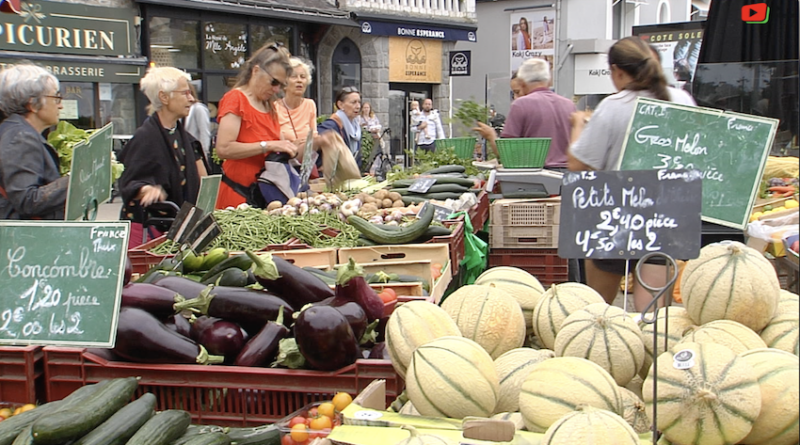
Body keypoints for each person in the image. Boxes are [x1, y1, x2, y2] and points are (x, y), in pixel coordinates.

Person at [567, 36, 698, 311]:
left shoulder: (613, 106)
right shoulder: (682, 99)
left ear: (617, 70)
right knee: (652, 317)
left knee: (598, 312)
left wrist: (579, 124)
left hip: (616, 214)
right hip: (666, 215)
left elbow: (577, 165)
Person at [117, 67, 208, 247]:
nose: (191, 98)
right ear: (164, 97)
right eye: (185, 93)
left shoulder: (184, 137)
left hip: (177, 227)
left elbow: (203, 179)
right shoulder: (145, 137)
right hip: (150, 234)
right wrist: (145, 189)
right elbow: (130, 180)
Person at [215, 42, 296, 208]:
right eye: (274, 82)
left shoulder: (270, 105)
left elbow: (279, 147)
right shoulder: (236, 99)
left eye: (280, 85)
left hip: (263, 197)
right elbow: (223, 149)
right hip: (237, 198)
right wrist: (268, 145)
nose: (276, 90)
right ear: (256, 70)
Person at [474, 58, 575, 169]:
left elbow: (507, 154)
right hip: (568, 176)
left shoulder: (521, 105)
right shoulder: (569, 105)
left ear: (522, 82)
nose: (515, 97)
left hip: (535, 177)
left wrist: (491, 135)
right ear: (549, 80)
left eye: (516, 92)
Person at [0, 63, 69, 220]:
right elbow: (27, 200)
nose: (61, 105)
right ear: (33, 104)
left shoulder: (15, 131)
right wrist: (78, 180)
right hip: (24, 240)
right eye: (56, 97)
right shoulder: (21, 137)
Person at [274, 56, 320, 179]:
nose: (299, 81)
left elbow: (314, 137)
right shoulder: (274, 108)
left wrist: (298, 144)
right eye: (294, 76)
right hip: (284, 169)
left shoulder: (310, 105)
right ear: (285, 82)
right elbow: (277, 143)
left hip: (307, 168)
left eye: (303, 77)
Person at [318, 86, 363, 167]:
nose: (358, 106)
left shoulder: (356, 128)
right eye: (353, 102)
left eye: (359, 102)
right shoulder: (330, 126)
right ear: (340, 104)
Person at [183, 82, 212, 159]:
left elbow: (204, 133)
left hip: (195, 153)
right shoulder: (180, 110)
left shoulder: (199, 108)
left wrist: (203, 155)